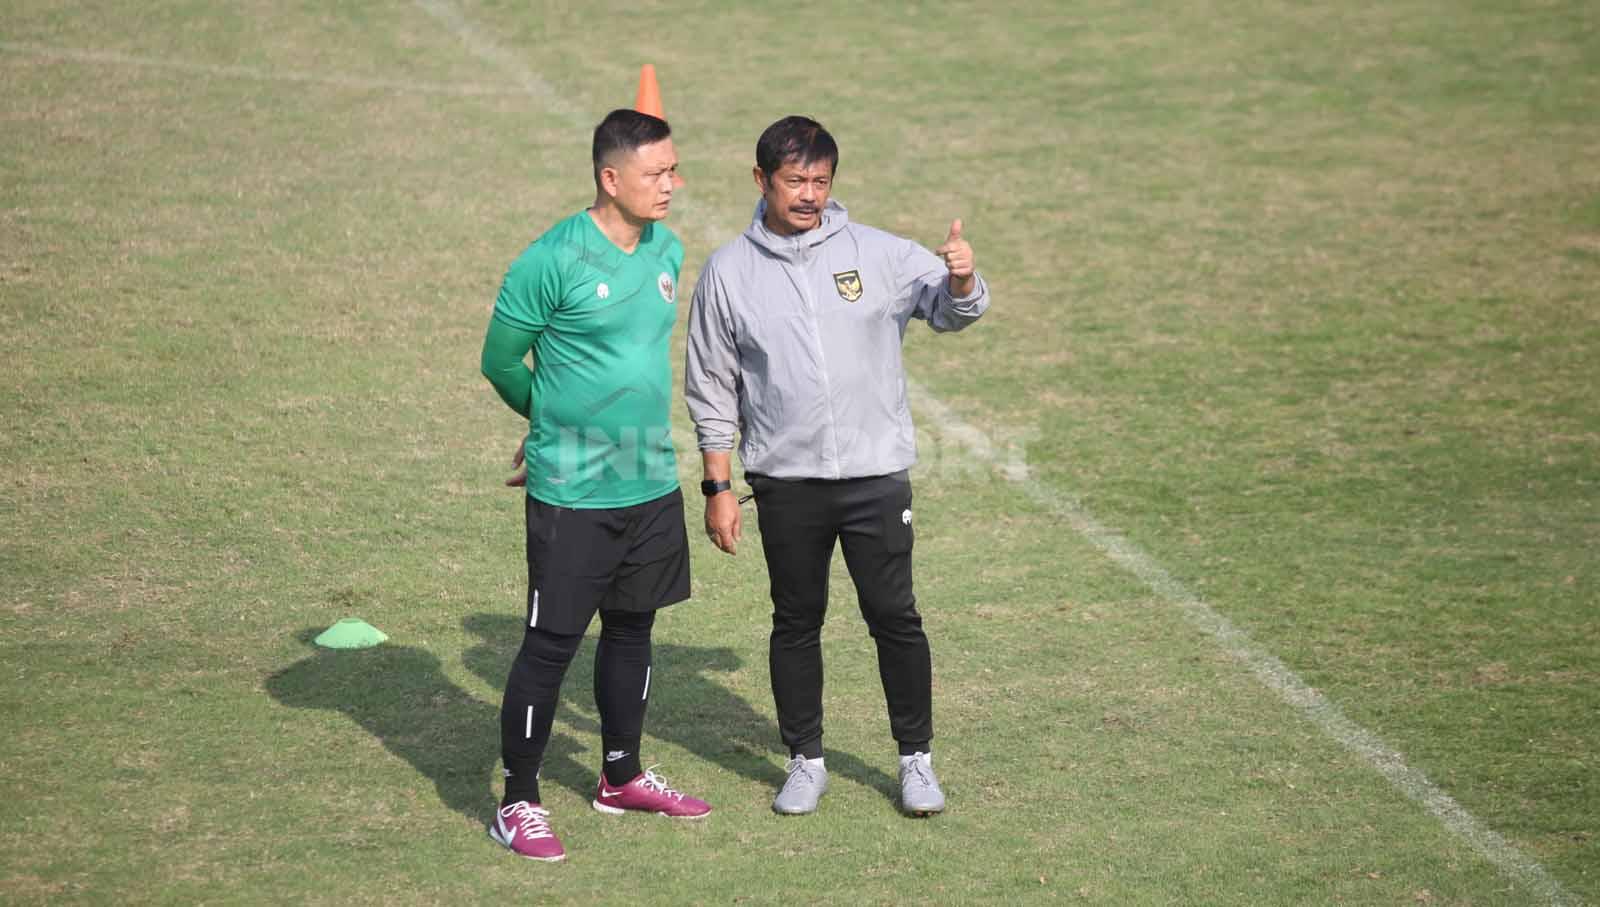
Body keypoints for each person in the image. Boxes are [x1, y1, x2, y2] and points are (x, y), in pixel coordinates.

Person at [684, 115, 989, 817]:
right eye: (795, 180)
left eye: (821, 181)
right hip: (785, 484)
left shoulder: (879, 253)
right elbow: (711, 385)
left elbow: (949, 310)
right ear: (761, 181)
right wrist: (718, 486)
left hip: (875, 478)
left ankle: (916, 761)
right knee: (796, 619)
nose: (810, 194)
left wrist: (965, 281)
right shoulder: (729, 272)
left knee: (895, 616)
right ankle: (805, 759)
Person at [479, 108, 710, 863]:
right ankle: (517, 801)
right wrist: (550, 423)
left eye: (674, 169)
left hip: (648, 484)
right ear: (611, 179)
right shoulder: (550, 260)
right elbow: (503, 362)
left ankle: (621, 775)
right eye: (656, 173)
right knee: (549, 647)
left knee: (634, 627)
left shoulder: (669, 247)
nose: (672, 185)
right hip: (573, 493)